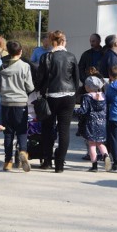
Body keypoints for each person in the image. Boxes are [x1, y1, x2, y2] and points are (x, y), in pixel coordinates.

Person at [35, 30, 79, 172]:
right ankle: (60, 164)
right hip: (68, 95)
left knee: (47, 129)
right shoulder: (71, 56)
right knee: (64, 130)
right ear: (63, 42)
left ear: (52, 41)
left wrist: (38, 92)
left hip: (51, 95)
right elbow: (76, 79)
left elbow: (40, 78)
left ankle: (47, 161)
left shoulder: (45, 57)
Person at [0, 41, 35, 172]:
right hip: (20, 103)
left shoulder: (2, 67)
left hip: (6, 103)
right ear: (20, 52)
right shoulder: (24, 66)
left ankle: (7, 161)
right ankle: (23, 151)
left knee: (8, 133)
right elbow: (30, 86)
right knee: (22, 130)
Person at [74, 76, 110, 172]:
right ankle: (106, 156)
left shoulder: (86, 97)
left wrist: (74, 110)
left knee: (92, 145)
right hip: (102, 123)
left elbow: (84, 110)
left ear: (88, 87)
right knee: (101, 143)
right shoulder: (103, 96)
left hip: (91, 123)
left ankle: (94, 166)